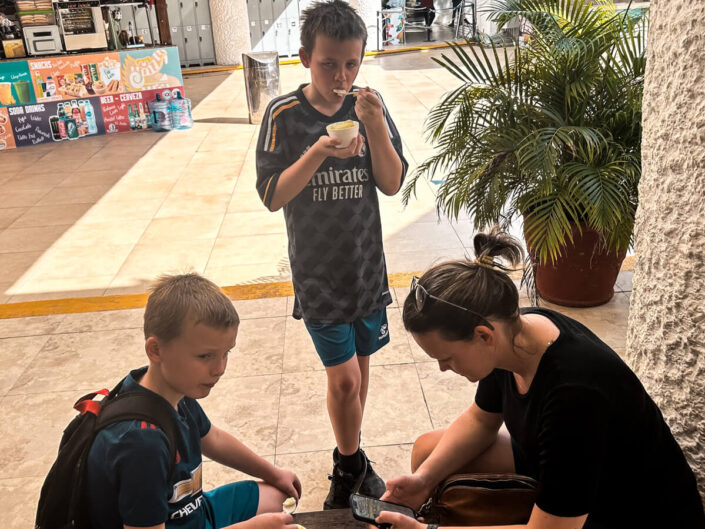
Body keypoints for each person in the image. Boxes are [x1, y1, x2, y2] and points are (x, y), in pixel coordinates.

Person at [377, 228, 705, 529]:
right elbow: (480, 421)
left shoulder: (574, 394)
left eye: (446, 358)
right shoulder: (512, 333)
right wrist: (423, 480)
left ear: (483, 335)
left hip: (633, 515)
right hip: (564, 469)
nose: (442, 369)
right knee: (428, 454)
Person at [255, 0, 408, 510]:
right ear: (305, 58)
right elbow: (272, 194)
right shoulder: (283, 115)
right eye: (328, 64)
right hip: (317, 273)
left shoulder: (369, 106)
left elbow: (391, 183)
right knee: (343, 381)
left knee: (357, 379)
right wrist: (319, 150)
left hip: (365, 268)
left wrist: (374, 127)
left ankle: (353, 460)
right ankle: (347, 470)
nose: (341, 77)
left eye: (351, 64)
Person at [84, 273, 302, 529]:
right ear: (155, 350)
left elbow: (213, 439)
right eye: (205, 356)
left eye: (226, 353)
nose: (220, 368)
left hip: (191, 510)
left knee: (279, 496)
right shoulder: (141, 445)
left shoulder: (171, 390)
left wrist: (273, 473)